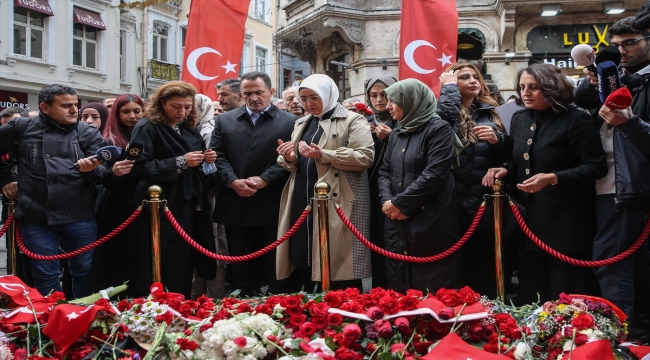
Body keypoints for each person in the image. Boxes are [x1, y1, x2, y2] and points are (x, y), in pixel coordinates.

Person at [484, 63, 608, 305]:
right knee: (533, 288)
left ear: (551, 88)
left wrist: (554, 178)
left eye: (534, 87)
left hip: (567, 222)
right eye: (522, 87)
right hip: (529, 221)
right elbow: (518, 158)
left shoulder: (576, 119)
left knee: (565, 292)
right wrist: (506, 169)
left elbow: (596, 166)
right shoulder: (520, 118)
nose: (526, 93)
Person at [574, 16, 650, 326]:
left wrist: (629, 123)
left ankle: (620, 336)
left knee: (612, 261)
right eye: (617, 46)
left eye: (630, 43)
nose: (622, 51)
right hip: (608, 185)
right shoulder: (611, 79)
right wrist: (594, 88)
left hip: (628, 188)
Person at [0, 84, 104, 298]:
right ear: (45, 107)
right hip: (36, 215)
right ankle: (50, 324)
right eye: (66, 106)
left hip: (79, 214)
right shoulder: (21, 127)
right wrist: (7, 179)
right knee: (45, 275)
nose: (74, 110)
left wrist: (91, 170)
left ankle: (83, 320)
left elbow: (105, 172)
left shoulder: (87, 132)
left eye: (75, 104)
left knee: (84, 272)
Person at [276, 74, 374, 291]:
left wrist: (324, 154)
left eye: (314, 97)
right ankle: (311, 308)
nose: (308, 104)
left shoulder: (353, 119)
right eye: (304, 99)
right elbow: (296, 160)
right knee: (304, 253)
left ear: (328, 94)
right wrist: (289, 158)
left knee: (340, 260)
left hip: (338, 199)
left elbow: (365, 157)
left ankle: (345, 312)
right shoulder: (301, 122)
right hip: (303, 196)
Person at [210, 71, 296, 296]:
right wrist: (232, 181)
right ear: (241, 95)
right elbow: (217, 155)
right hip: (236, 202)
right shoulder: (225, 120)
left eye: (259, 92)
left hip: (274, 202)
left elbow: (294, 158)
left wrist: (265, 179)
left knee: (276, 261)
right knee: (241, 262)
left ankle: (277, 304)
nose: (254, 98)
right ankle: (244, 301)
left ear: (271, 92)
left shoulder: (291, 122)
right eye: (247, 94)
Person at [129, 81, 218, 298]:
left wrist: (207, 160)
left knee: (184, 255)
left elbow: (198, 166)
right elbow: (138, 166)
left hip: (189, 200)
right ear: (162, 103)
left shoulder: (189, 129)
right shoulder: (147, 127)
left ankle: (181, 298)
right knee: (163, 253)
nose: (182, 112)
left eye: (187, 107)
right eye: (176, 106)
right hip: (161, 201)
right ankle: (158, 301)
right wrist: (180, 162)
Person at [377, 78, 463, 293]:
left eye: (393, 101)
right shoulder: (397, 131)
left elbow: (435, 173)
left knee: (432, 284)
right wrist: (388, 202)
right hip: (396, 219)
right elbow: (385, 171)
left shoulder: (438, 128)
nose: (387, 106)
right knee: (399, 280)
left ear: (411, 100)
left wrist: (401, 204)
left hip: (431, 219)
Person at [438, 63, 513, 298]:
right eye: (464, 77)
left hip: (485, 202)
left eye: (475, 77)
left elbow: (511, 155)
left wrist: (497, 140)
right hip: (452, 201)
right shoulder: (445, 111)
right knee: (454, 269)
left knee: (484, 266)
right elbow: (440, 129)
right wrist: (447, 91)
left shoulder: (495, 112)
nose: (473, 80)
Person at [90, 94, 145, 296]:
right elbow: (99, 177)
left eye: (136, 111)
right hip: (115, 203)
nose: (132, 116)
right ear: (116, 114)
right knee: (114, 253)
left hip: (143, 201)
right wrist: (112, 173)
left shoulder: (149, 136)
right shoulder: (107, 141)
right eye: (126, 111)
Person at [191, 94, 227, 299]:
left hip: (209, 198)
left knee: (214, 246)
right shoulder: (188, 129)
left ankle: (215, 298)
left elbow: (212, 168)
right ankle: (196, 297)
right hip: (197, 198)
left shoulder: (208, 130)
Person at [364, 76, 398, 289]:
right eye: (373, 95)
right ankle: (377, 290)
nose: (378, 100)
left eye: (384, 94)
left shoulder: (403, 119)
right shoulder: (361, 121)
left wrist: (391, 137)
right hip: (367, 188)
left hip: (395, 191)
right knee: (373, 240)